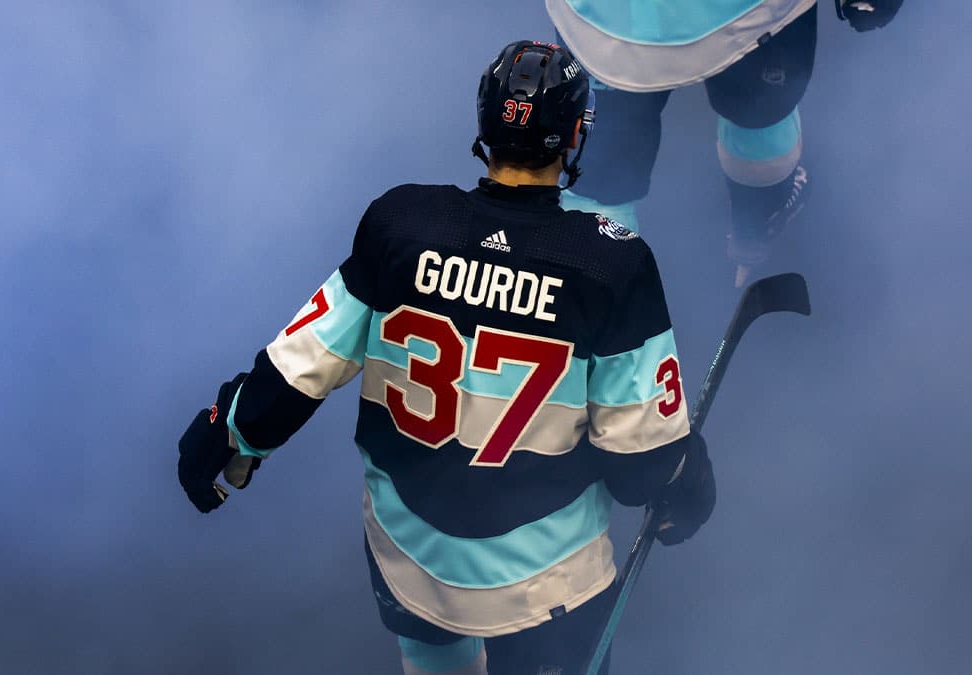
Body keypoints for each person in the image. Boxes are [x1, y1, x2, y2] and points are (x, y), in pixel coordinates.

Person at [176, 40, 715, 675]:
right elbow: (642, 468)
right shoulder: (612, 262)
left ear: (483, 125)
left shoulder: (402, 223)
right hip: (546, 584)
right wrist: (687, 479)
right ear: (575, 135)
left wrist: (231, 431)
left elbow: (300, 368)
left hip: (410, 558)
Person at [546, 0, 904, 285]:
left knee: (602, 156)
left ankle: (588, 289)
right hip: (747, 16)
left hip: (602, 17)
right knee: (758, 113)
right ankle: (753, 233)